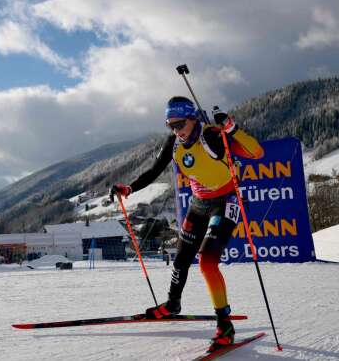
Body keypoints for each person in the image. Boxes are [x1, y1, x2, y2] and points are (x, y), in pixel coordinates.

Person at [110, 96, 264, 351]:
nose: (176, 130)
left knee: (207, 262)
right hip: (199, 204)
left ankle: (224, 325)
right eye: (170, 125)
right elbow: (154, 169)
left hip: (226, 200)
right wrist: (129, 188)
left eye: (180, 124)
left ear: (193, 118)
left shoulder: (212, 136)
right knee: (181, 258)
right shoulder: (175, 142)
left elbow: (256, 152)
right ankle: (172, 305)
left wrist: (231, 129)